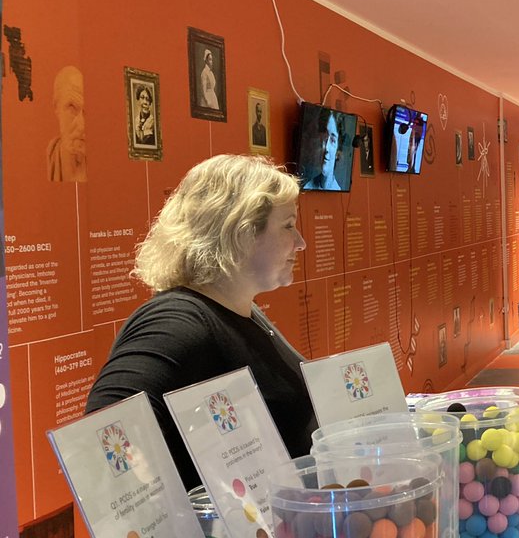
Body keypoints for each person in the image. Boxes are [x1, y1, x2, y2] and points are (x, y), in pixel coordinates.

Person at [87, 155, 317, 495]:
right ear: (240, 233)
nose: (300, 242)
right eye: (287, 225)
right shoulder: (175, 321)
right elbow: (105, 431)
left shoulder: (241, 310)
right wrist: (189, 520)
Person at [47, 65, 86, 182]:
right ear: (56, 108)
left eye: (86, 111)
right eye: (72, 107)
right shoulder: (48, 157)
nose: (82, 125)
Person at [302, 111, 342, 190]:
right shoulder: (307, 187)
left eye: (332, 140)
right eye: (324, 139)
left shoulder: (338, 189)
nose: (326, 148)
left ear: (338, 151)